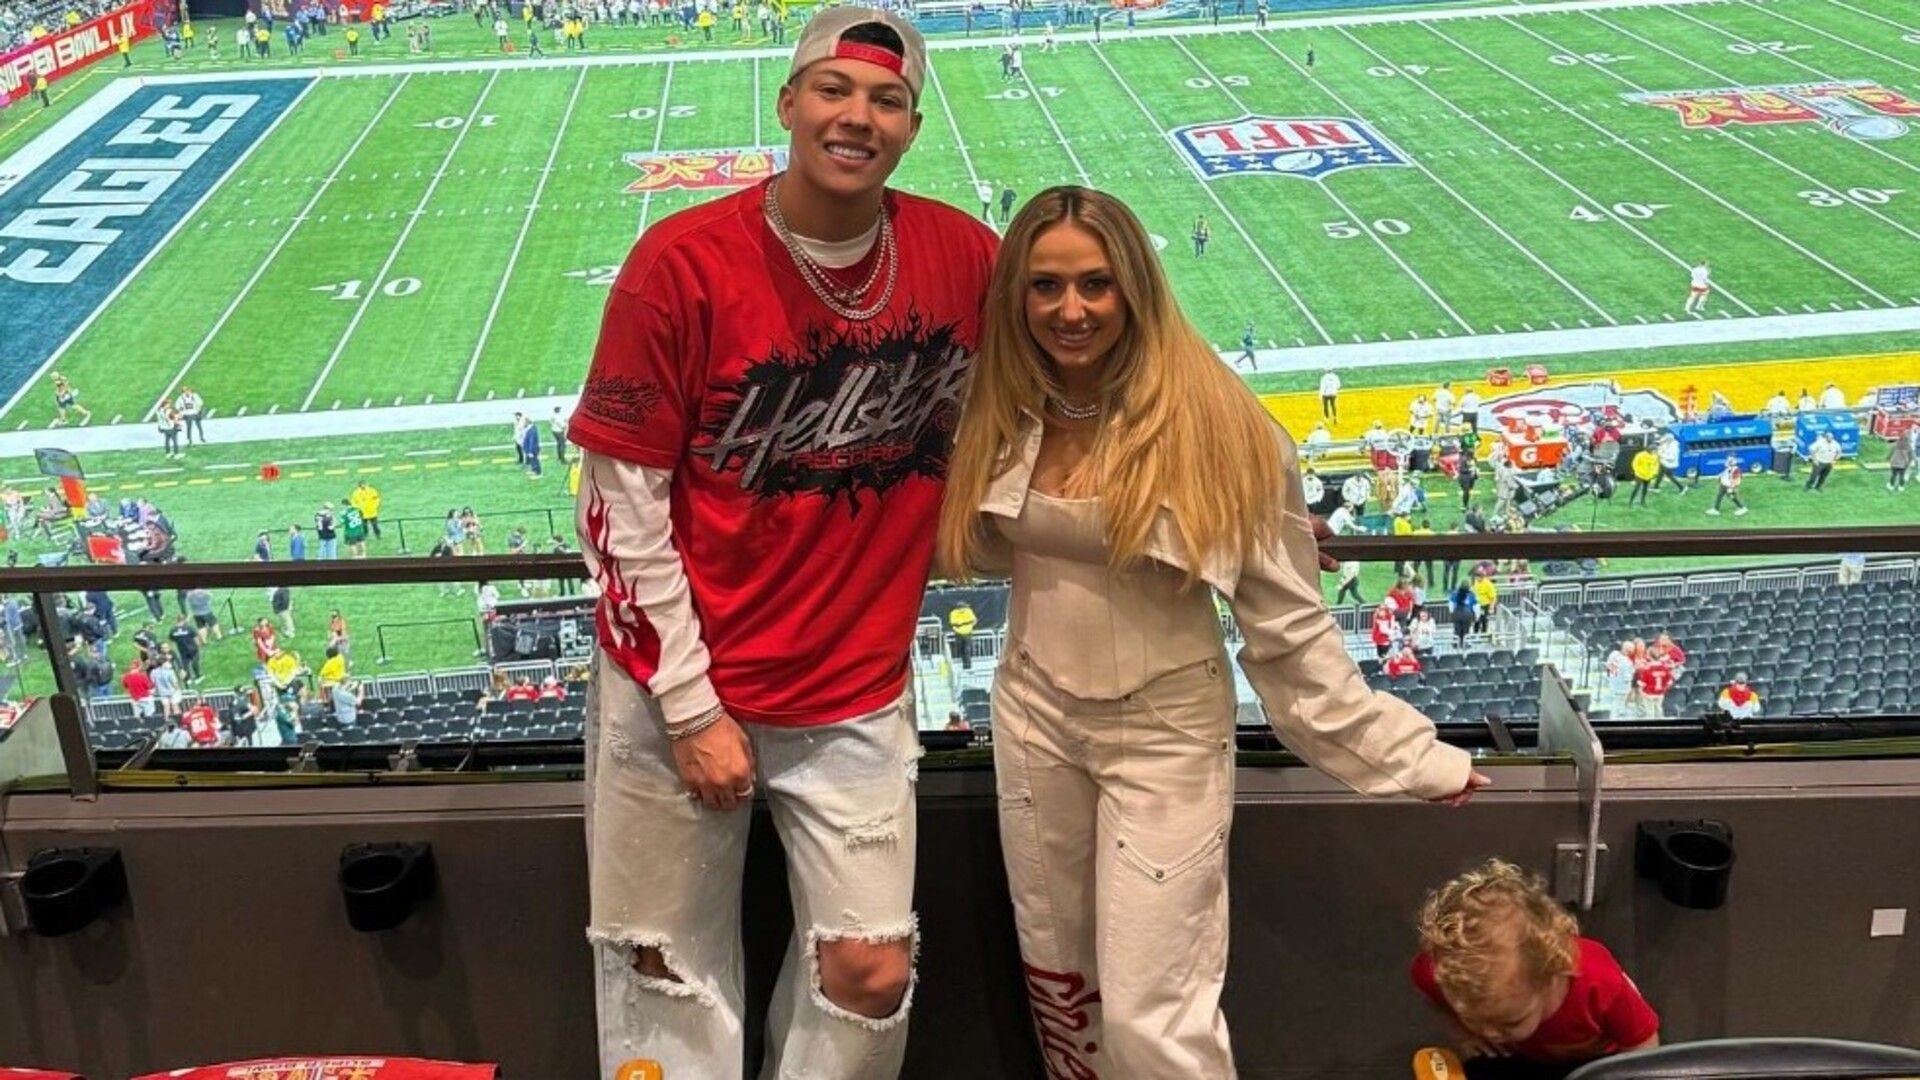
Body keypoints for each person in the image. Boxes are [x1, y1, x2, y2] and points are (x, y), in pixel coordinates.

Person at [936, 186, 1484, 1076]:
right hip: (1032, 719)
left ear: (1136, 289)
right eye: (1044, 287)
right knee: (1062, 987)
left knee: (1156, 1014)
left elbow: (1288, 627)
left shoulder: (1219, 425)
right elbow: (948, 540)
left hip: (1166, 734)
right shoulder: (996, 407)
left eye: (1095, 285)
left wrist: (1407, 755)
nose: (1069, 310)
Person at [568, 11, 999, 1076]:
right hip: (680, 689)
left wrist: (1258, 492)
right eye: (835, 90)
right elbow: (619, 501)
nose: (858, 116)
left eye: (886, 100)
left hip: (852, 685)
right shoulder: (681, 263)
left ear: (912, 126)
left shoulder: (960, 253)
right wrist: (689, 701)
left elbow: (1110, 362)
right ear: (789, 104)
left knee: (870, 974)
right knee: (662, 975)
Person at [1414, 859, 1659, 1069]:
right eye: (1473, 1018)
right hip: (1516, 1056)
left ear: (1551, 975)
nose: (1489, 1032)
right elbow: (1430, 990)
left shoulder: (1599, 982)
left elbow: (1643, 1046)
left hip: (1595, 1062)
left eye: (1510, 1021)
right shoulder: (1449, 972)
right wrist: (1462, 1030)